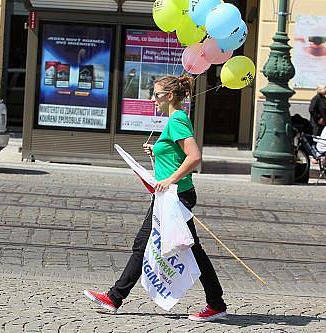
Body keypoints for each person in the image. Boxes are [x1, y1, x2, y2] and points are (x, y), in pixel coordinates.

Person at [84, 75, 227, 322]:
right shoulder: (175, 120)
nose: (153, 99)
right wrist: (156, 153)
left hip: (175, 195)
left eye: (157, 94)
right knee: (187, 249)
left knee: (151, 244)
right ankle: (216, 302)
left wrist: (170, 179)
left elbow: (194, 156)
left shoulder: (178, 119)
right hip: (169, 196)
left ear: (170, 96)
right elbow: (175, 153)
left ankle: (115, 297)